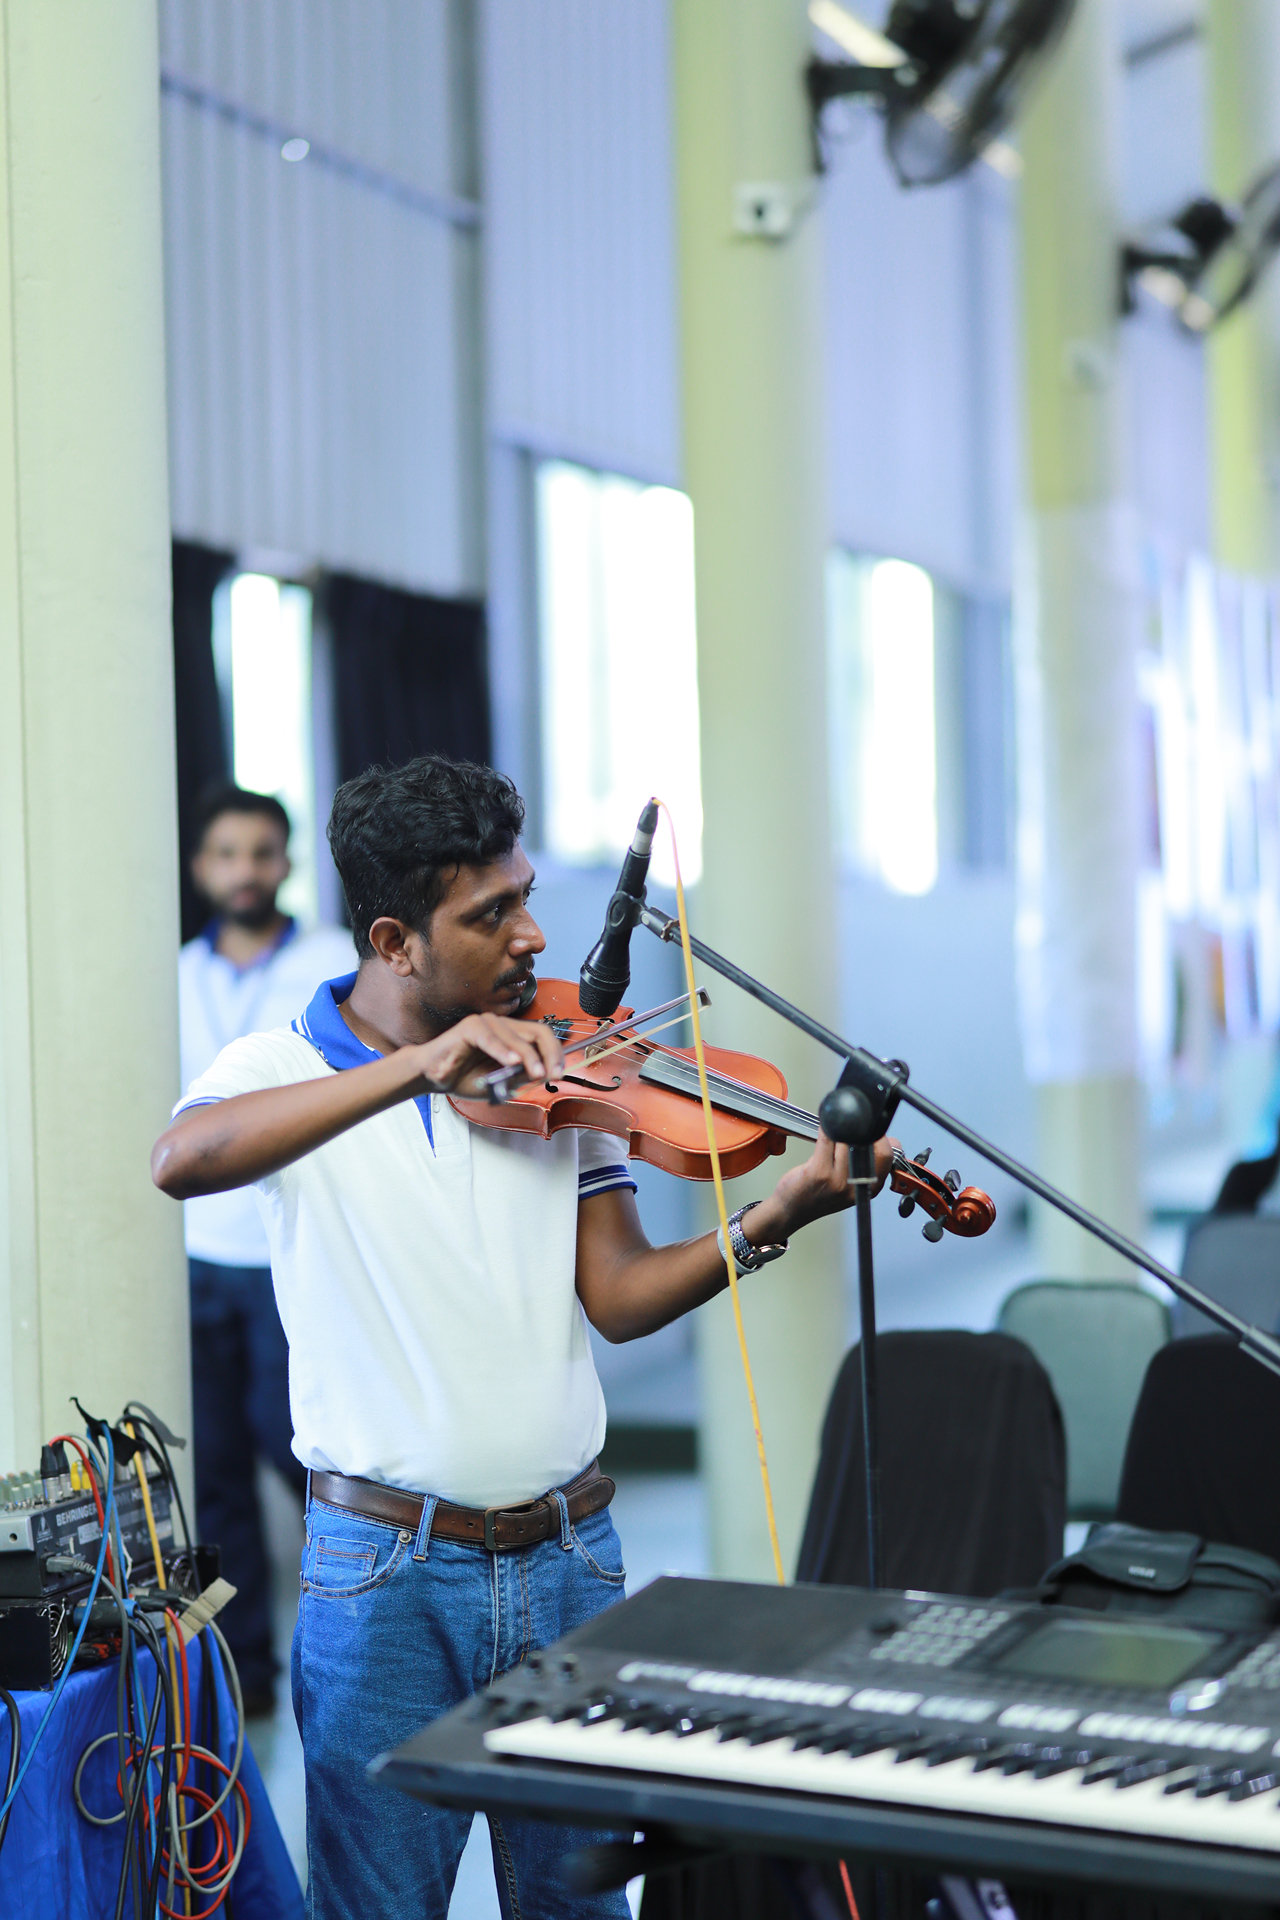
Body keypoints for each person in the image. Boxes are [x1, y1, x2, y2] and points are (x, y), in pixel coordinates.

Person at [152, 755, 896, 1920]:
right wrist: (416, 1069)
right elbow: (181, 1162)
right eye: (491, 913)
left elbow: (616, 1292)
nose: (535, 935)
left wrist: (770, 1216)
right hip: (380, 1578)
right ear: (394, 941)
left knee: (581, 1909)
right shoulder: (282, 1070)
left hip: (569, 1562)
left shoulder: (560, 1069)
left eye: (527, 895)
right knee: (379, 1908)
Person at [180, 781, 356, 1714]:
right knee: (214, 1483)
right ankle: (244, 1680)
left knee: (304, 1459)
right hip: (199, 1255)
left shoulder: (335, 962)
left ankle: (362, 1644)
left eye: (260, 853)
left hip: (289, 1257)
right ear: (202, 867)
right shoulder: (175, 970)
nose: (243, 871)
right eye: (225, 854)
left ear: (284, 863)